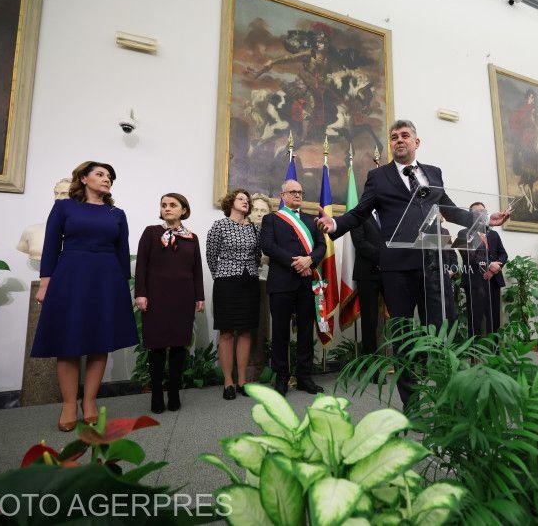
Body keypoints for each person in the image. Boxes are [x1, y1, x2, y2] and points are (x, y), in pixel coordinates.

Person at [314, 120, 510, 407]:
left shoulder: (433, 173)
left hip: (433, 264)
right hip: (396, 268)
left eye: (405, 136)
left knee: (442, 331)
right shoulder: (378, 177)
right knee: (404, 336)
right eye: (393, 137)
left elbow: (449, 209)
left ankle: (448, 397)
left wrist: (483, 219)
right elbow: (359, 213)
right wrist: (335, 224)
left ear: (417, 142)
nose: (398, 140)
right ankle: (413, 404)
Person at [32, 161, 138, 431]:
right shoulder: (64, 207)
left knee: (99, 341)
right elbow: (51, 247)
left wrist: (122, 286)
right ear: (84, 178)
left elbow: (122, 252)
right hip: (70, 276)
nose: (106, 180)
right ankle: (69, 404)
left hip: (106, 279)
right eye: (100, 174)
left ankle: (89, 401)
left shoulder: (117, 213)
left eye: (110, 177)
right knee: (68, 340)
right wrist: (45, 284)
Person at [135, 193, 204, 414]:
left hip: (183, 298)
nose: (167, 208)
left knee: (178, 347)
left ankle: (174, 394)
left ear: (183, 210)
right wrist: (141, 294)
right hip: (155, 298)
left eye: (173, 205)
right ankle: (156, 396)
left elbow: (197, 270)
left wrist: (199, 296)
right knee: (156, 347)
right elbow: (141, 267)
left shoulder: (191, 238)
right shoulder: (151, 233)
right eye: (164, 205)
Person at [261, 179, 325, 396]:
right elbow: (268, 246)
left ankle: (305, 377)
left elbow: (322, 246)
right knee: (280, 332)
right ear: (283, 195)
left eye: (300, 192)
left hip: (306, 283)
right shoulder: (271, 219)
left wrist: (310, 260)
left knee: (306, 332)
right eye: (293, 192)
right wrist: (297, 262)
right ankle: (281, 378)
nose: (298, 195)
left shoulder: (311, 220)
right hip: (281, 283)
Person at [206, 189, 262, 400]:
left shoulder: (255, 229)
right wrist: (221, 274)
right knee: (227, 332)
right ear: (231, 203)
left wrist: (250, 271)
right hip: (226, 282)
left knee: (246, 331)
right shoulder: (219, 225)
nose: (245, 202)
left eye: (247, 200)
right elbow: (211, 255)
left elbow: (257, 256)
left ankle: (242, 381)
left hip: (250, 282)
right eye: (241, 199)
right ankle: (228, 381)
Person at [455, 202, 508, 335]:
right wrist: (489, 265)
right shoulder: (464, 233)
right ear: (470, 215)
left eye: (483, 211)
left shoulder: (493, 234)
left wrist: (493, 269)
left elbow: (503, 254)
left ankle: (495, 350)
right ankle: (474, 354)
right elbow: (469, 255)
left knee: (494, 317)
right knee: (475, 318)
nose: (482, 214)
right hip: (475, 281)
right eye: (477, 211)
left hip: (493, 281)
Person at [350, 211, 384, 359]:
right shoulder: (359, 215)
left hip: (390, 273)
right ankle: (371, 364)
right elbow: (360, 242)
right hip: (367, 274)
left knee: (398, 315)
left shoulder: (389, 213)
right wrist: (384, 257)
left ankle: (401, 362)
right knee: (370, 320)